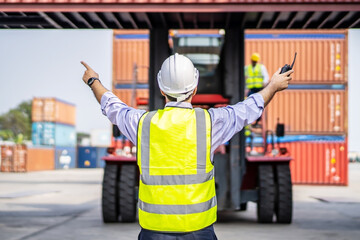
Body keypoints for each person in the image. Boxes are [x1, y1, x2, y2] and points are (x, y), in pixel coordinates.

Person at [81, 53, 293, 240]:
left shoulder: (142, 123)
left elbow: (111, 105)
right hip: (199, 232)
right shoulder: (210, 123)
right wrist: (273, 86)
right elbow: (248, 109)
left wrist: (93, 80)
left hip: (153, 232)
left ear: (161, 88)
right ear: (195, 87)